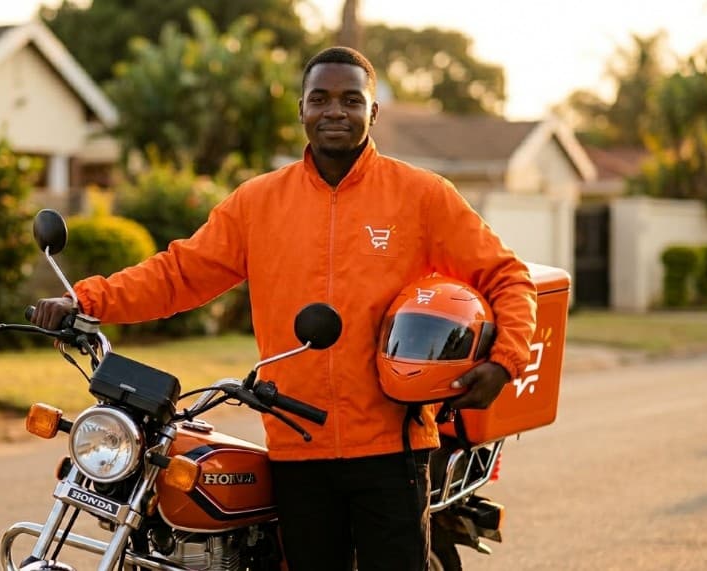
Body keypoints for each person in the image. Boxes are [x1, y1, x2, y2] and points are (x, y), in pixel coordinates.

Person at [31, 46, 537, 571]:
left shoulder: (422, 196)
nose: (334, 111)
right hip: (297, 449)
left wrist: (504, 362)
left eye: (350, 100)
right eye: (320, 99)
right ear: (301, 109)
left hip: (392, 449)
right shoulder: (258, 202)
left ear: (372, 111)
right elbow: (179, 274)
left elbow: (507, 276)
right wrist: (83, 300)